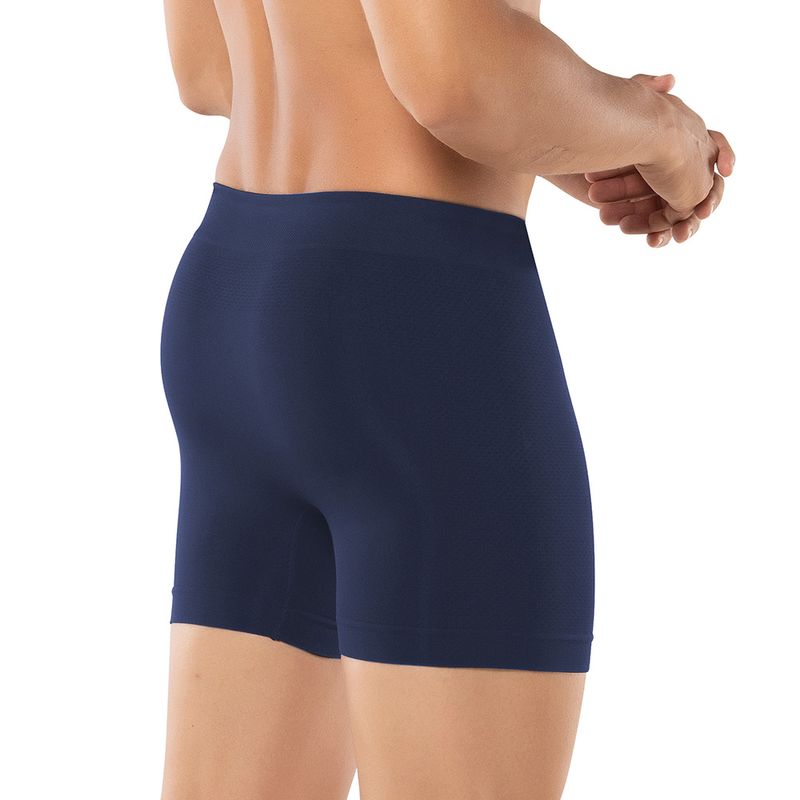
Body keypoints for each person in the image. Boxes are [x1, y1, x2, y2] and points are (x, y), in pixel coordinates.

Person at [159, 1, 735, 798]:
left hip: (236, 294)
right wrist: (664, 134)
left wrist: (566, 128)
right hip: (409, 324)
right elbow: (455, 80)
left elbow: (209, 68)